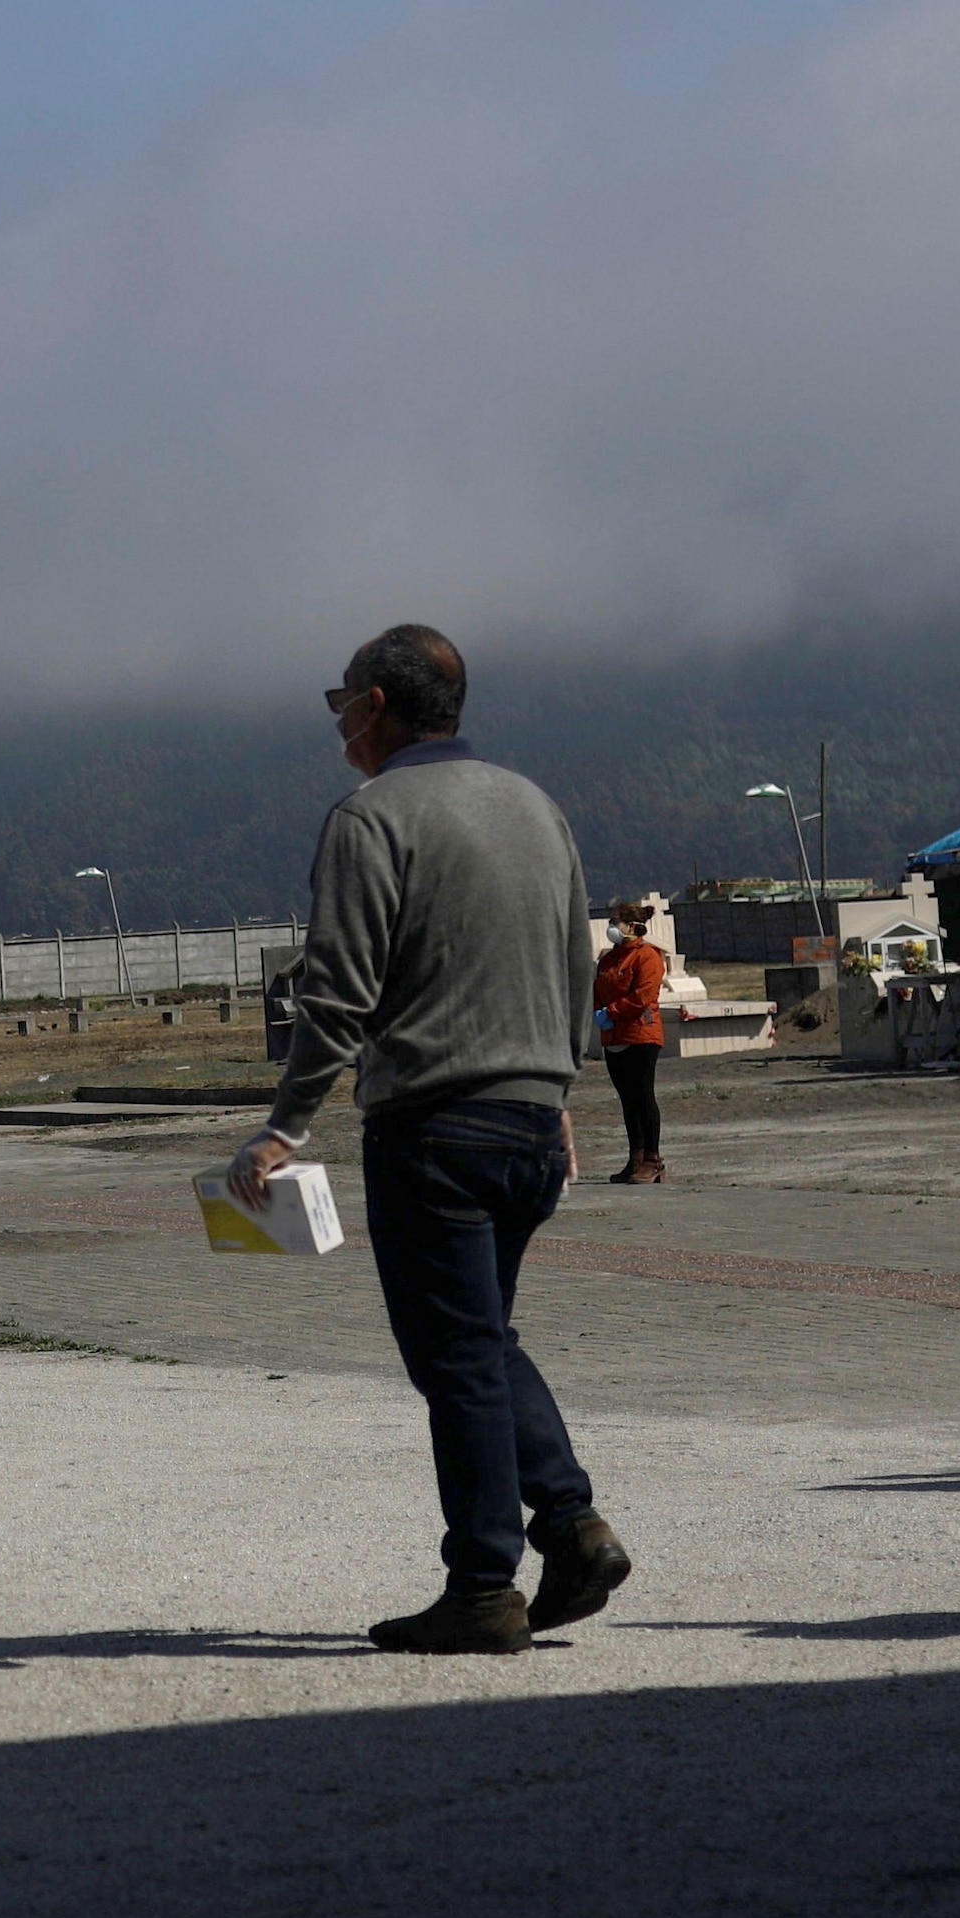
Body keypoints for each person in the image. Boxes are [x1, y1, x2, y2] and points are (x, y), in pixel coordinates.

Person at [230, 624, 630, 1654]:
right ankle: (569, 1525)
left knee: (451, 1357)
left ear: (372, 705)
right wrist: (560, 1094)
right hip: (532, 1122)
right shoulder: (534, 807)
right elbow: (570, 962)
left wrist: (283, 1127)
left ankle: (483, 1583)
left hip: (433, 1126)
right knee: (481, 1339)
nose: (337, 727)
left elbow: (337, 995)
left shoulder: (370, 817)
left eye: (339, 705)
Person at [589, 901, 669, 1185]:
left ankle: (652, 1158)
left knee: (643, 1095)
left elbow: (643, 996)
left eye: (616, 922)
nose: (612, 927)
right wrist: (599, 1011)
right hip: (613, 1036)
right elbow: (598, 987)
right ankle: (635, 1157)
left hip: (641, 1035)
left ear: (632, 927)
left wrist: (611, 1012)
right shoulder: (608, 960)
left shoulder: (648, 956)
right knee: (627, 1099)